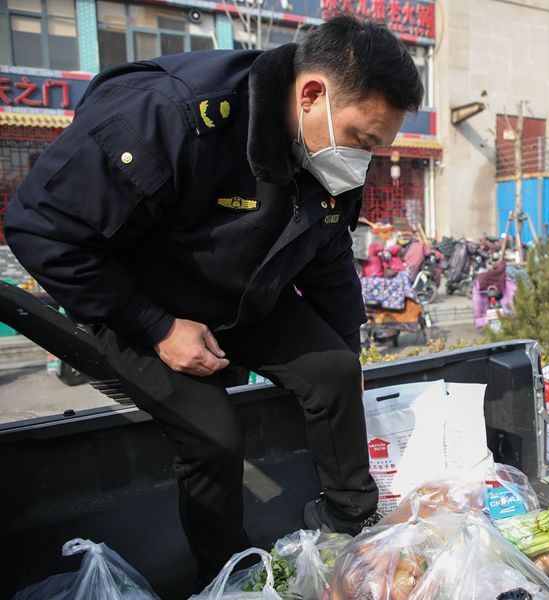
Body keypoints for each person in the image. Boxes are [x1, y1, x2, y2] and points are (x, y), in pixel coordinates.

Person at [4, 16, 423, 582]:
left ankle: (350, 520)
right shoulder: (170, 115)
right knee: (214, 438)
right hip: (137, 299)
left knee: (335, 370)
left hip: (245, 295)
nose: (363, 160)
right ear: (312, 94)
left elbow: (328, 264)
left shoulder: (327, 154)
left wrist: (345, 348)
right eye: (362, 140)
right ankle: (229, 574)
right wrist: (154, 325)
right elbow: (41, 229)